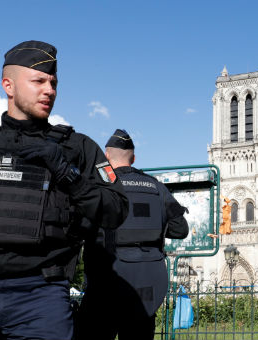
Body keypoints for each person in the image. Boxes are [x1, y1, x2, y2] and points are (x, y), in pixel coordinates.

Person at [0, 41, 129, 339]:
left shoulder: (76, 148)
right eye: (39, 81)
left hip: (41, 298)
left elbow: (116, 209)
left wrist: (68, 174)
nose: (50, 90)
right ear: (9, 85)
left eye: (53, 83)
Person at [76, 129, 189, 340]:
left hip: (104, 287)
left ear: (106, 157)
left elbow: (78, 227)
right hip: (146, 291)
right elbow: (181, 229)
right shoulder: (157, 187)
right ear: (133, 158)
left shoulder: (97, 187)